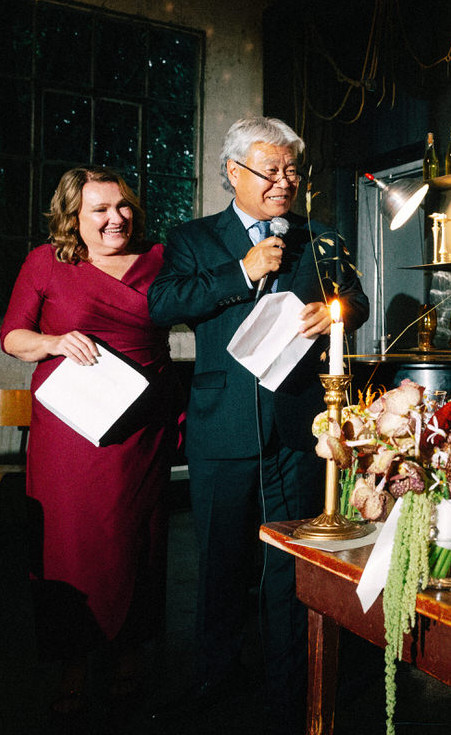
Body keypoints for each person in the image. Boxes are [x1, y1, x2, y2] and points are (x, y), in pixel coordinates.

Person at [147, 117, 368, 734]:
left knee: (289, 567)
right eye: (271, 170)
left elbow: (357, 300)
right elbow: (163, 304)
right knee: (220, 565)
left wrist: (335, 313)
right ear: (234, 172)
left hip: (298, 430)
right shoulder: (192, 238)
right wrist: (241, 272)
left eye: (292, 170)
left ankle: (289, 688)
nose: (284, 182)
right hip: (221, 429)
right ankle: (214, 677)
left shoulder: (320, 240)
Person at [0, 167, 178, 721]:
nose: (115, 218)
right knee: (68, 544)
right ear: (73, 217)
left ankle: (129, 653)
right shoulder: (45, 262)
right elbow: (12, 336)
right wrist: (54, 341)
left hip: (141, 430)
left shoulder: (161, 260)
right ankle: (72, 663)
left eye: (122, 206)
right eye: (99, 209)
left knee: (137, 541)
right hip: (70, 434)